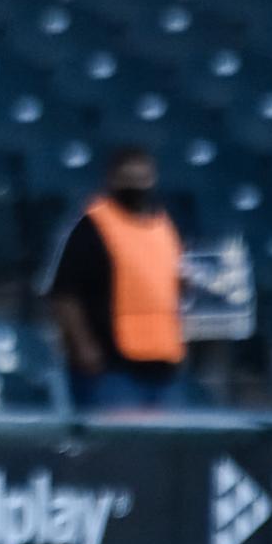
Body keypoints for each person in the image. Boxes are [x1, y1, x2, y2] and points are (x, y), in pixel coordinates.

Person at [44, 146, 188, 410]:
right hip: (111, 368)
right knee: (119, 448)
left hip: (162, 364)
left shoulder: (163, 226)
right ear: (111, 179)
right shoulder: (92, 228)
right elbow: (65, 295)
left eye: (142, 177)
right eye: (128, 177)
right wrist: (84, 347)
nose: (136, 185)